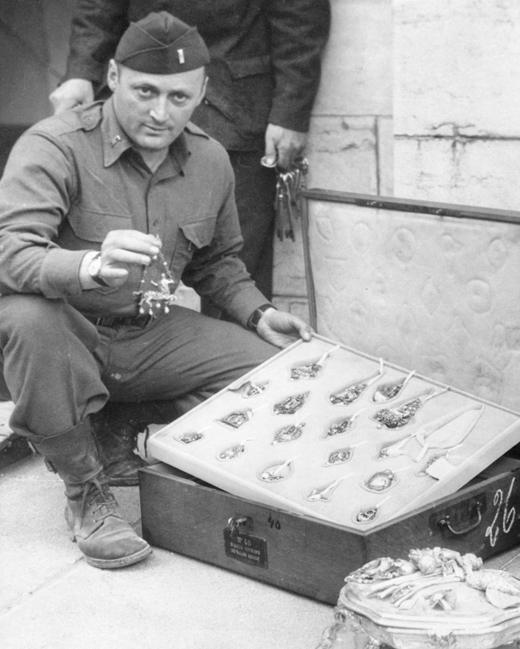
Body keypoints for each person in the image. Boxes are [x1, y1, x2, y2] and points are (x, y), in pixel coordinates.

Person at [0, 12, 313, 569]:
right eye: (145, 91)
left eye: (178, 96)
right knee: (26, 316)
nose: (160, 113)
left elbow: (218, 263)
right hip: (71, 337)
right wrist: (89, 265)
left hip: (148, 337)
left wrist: (259, 312)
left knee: (272, 370)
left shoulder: (211, 158)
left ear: (203, 92)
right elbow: (9, 252)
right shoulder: (54, 145)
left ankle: (118, 420)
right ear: (114, 76)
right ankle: (85, 489)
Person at [50, 0, 331, 307]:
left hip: (235, 109)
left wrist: (290, 112)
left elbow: (300, 16)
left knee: (233, 270)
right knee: (112, 261)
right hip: (133, 116)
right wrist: (81, 70)